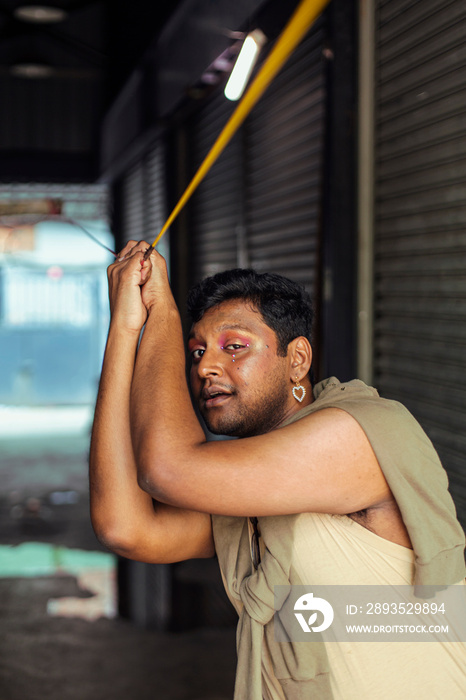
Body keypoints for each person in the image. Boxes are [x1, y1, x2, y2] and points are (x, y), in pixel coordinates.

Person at [90, 240, 466, 700]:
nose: (205, 365)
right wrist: (125, 330)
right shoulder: (253, 487)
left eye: (234, 346)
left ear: (299, 360)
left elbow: (167, 469)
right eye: (195, 352)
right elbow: (125, 526)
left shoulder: (357, 433)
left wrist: (162, 313)